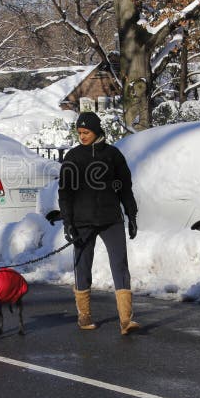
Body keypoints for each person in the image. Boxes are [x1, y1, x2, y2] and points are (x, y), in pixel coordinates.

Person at [58, 111, 140, 334]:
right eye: (80, 132)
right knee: (82, 267)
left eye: (86, 132)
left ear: (96, 131)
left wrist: (131, 215)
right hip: (82, 222)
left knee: (120, 264)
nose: (82, 136)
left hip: (110, 219)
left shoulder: (113, 155)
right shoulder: (73, 157)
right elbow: (64, 192)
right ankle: (84, 316)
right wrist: (68, 222)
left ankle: (125, 320)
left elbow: (125, 188)